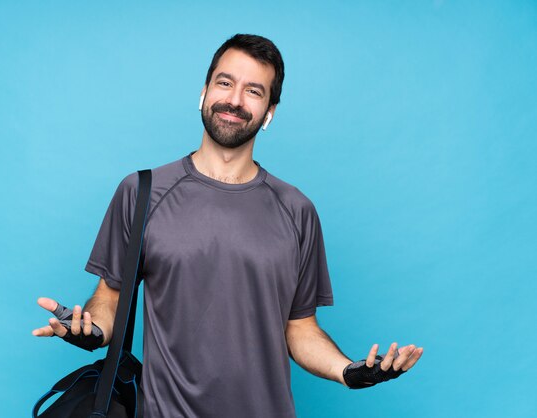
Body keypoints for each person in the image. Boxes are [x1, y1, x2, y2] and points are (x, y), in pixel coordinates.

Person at [33, 34, 423, 417]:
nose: (234, 100)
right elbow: (110, 300)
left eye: (254, 91)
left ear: (269, 112)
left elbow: (300, 328)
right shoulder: (142, 192)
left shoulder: (296, 210)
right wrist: (90, 331)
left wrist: (348, 372)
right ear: (203, 92)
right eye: (225, 82)